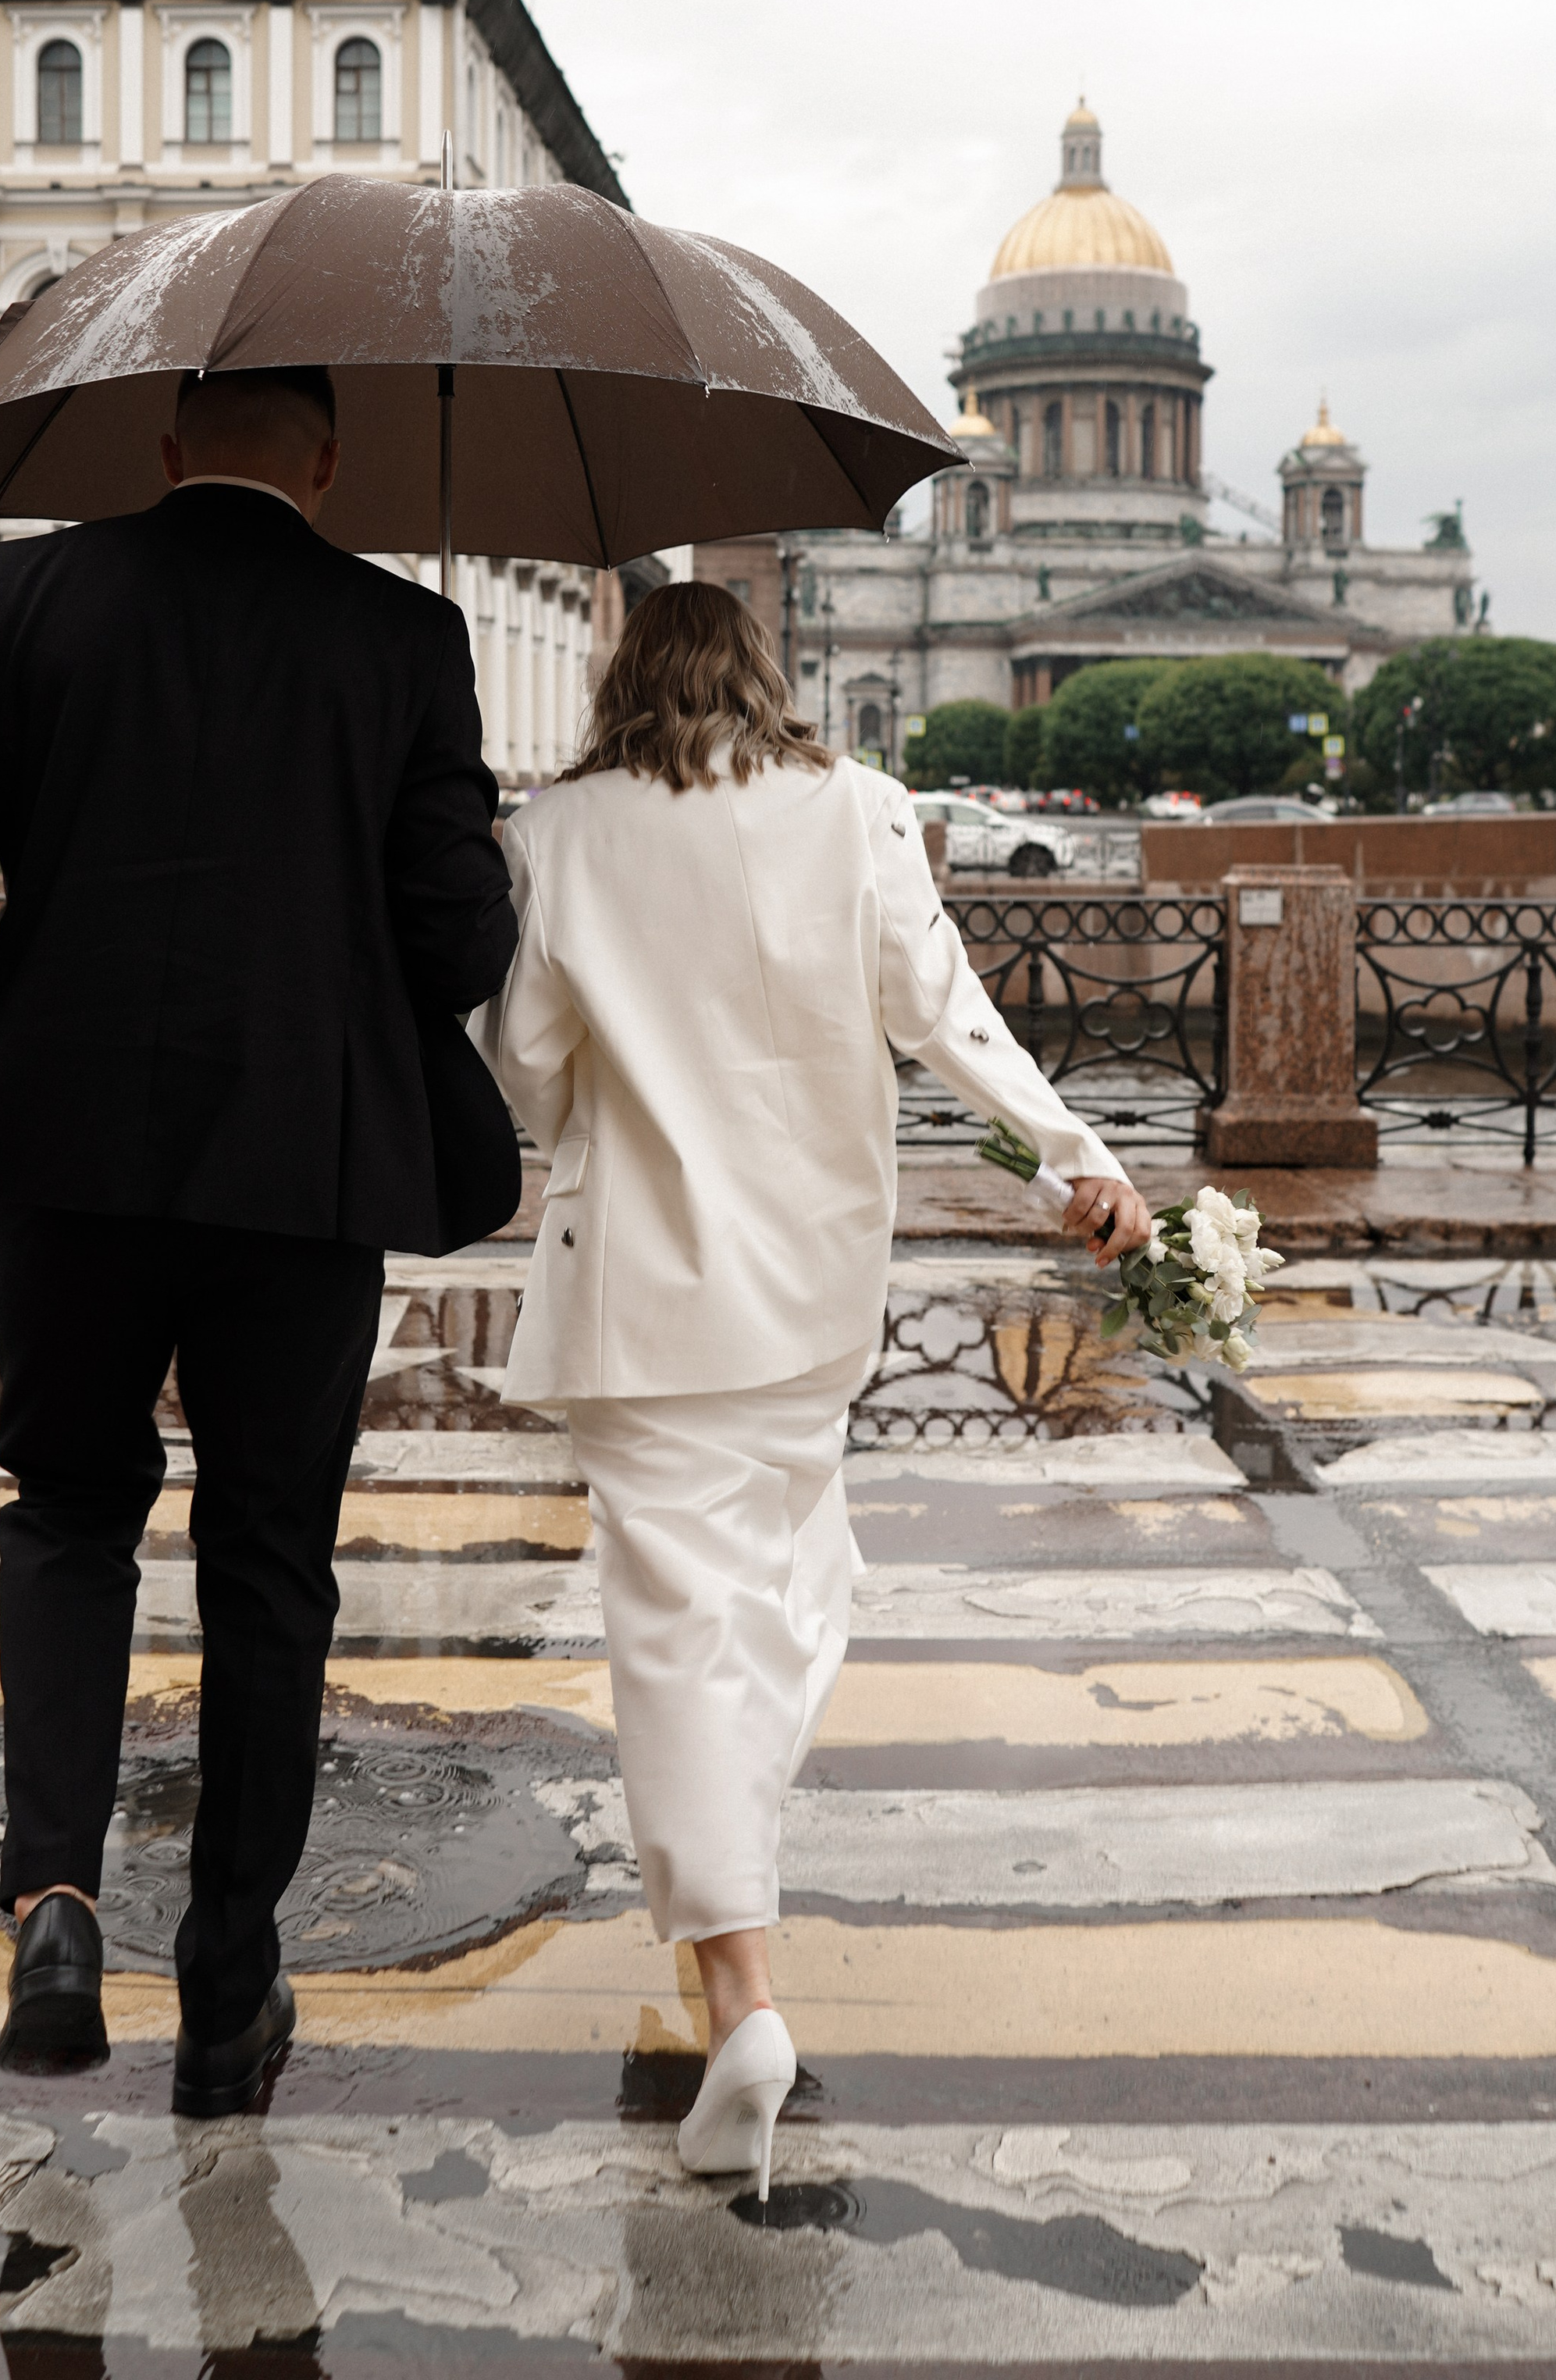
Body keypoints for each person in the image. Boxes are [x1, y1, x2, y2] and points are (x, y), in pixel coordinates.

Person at [0, 367, 519, 2115]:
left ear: (160, 450)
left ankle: (57, 1892)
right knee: (268, 1559)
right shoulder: (401, 635)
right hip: (301, 1167)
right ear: (326, 462)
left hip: (60, 1152)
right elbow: (457, 936)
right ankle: (227, 1975)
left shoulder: (26, 593)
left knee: (67, 1512)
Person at [472, 582, 1148, 2200]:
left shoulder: (553, 836)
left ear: (621, 678)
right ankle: (737, 1937)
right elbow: (945, 1019)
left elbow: (528, 1069)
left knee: (676, 1633)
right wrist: (1080, 1158)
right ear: (764, 676)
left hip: (641, 1293)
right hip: (808, 1287)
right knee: (790, 1595)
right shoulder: (859, 811)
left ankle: (742, 1996)